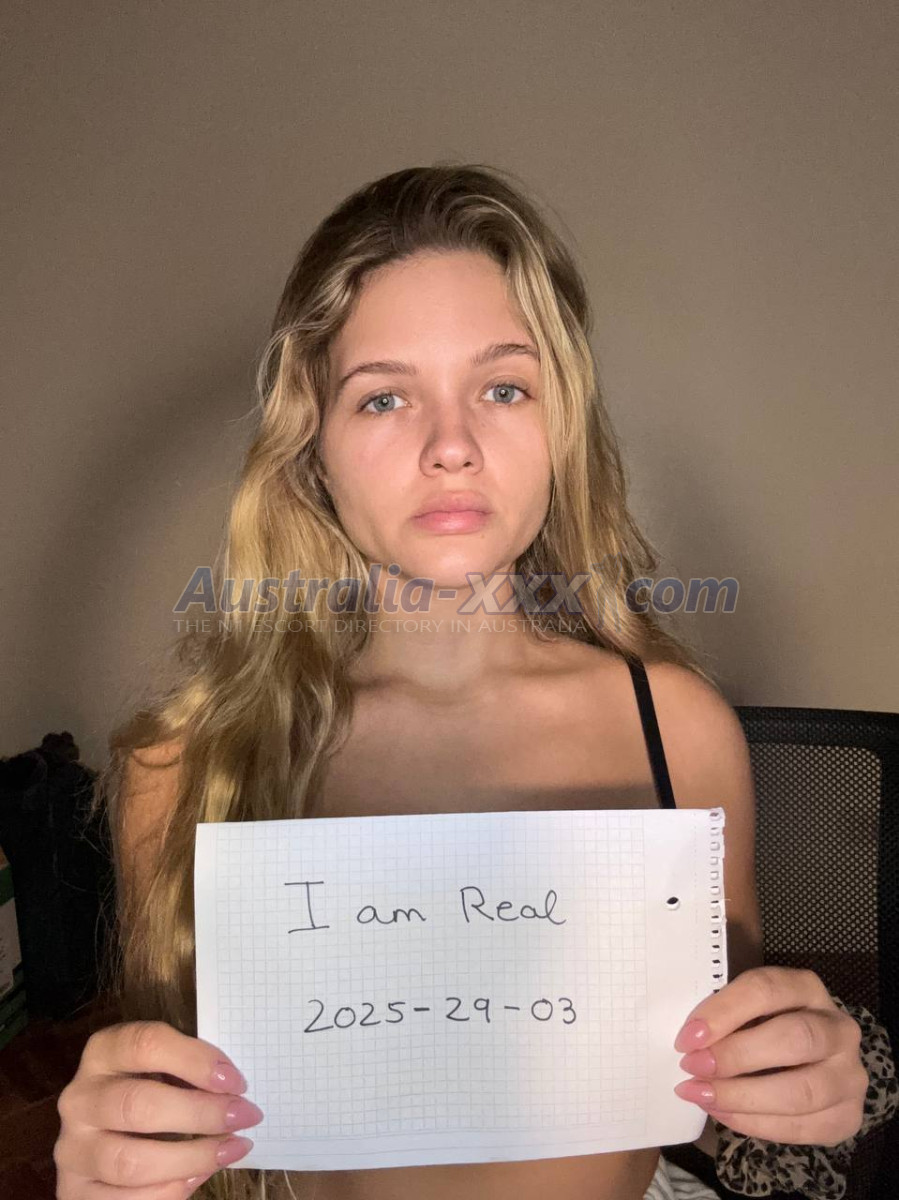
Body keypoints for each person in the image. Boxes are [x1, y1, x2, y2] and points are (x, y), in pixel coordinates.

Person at [54, 164, 872, 1200]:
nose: (450, 448)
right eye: (384, 397)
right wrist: (117, 1168)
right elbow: (182, 1135)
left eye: (502, 388)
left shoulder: (676, 728)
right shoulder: (181, 768)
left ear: (560, 425)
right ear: (312, 450)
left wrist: (800, 1081)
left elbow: (723, 1101)